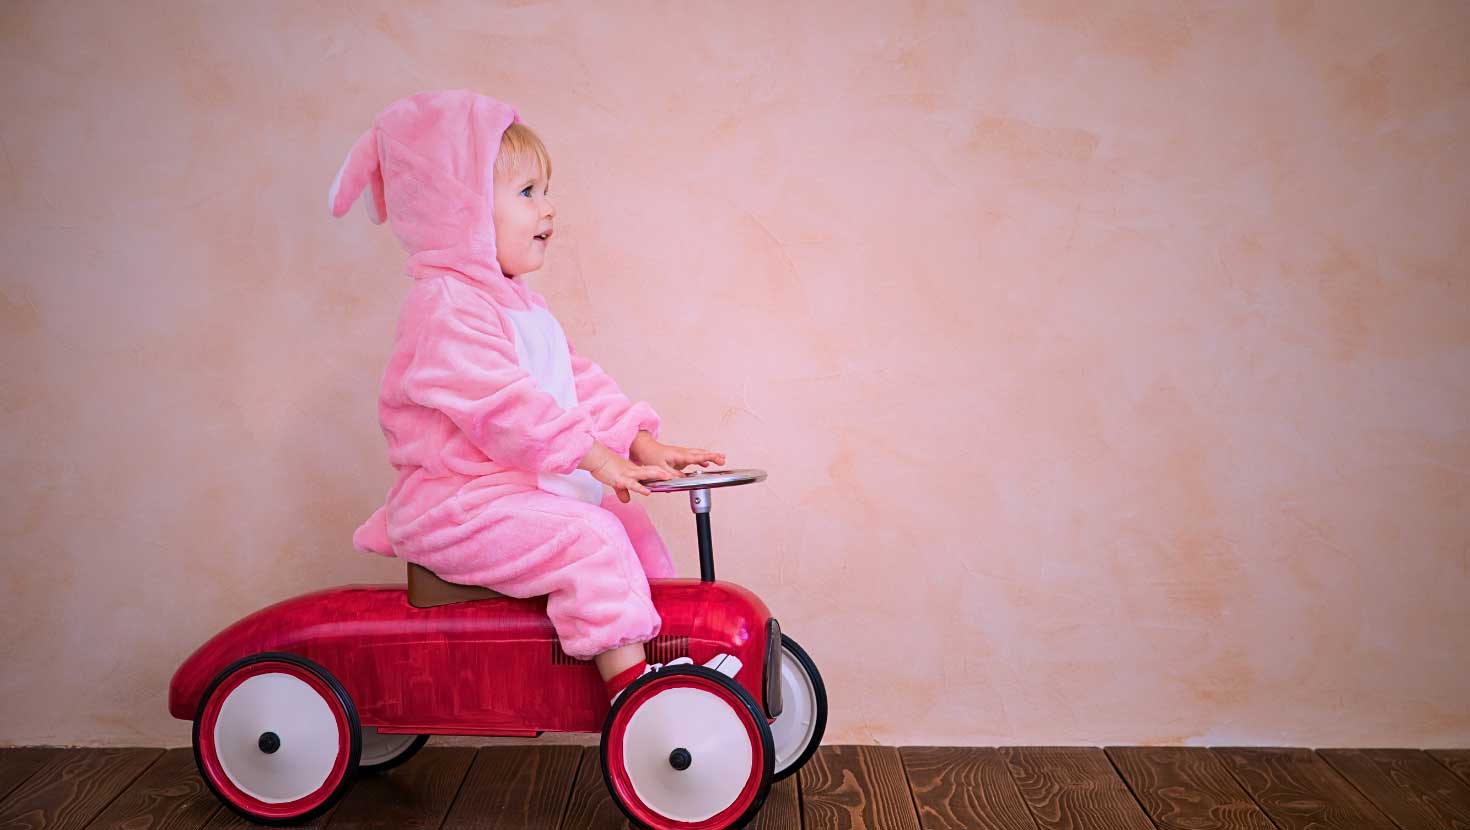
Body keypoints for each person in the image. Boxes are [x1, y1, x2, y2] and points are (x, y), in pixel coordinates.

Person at [329, 89, 725, 702]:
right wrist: (596, 460)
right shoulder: (445, 307)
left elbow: (572, 386)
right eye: (527, 194)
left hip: (512, 493)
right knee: (591, 538)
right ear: (457, 211)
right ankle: (637, 699)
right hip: (458, 507)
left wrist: (639, 443)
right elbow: (506, 406)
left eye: (545, 190)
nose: (549, 210)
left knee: (627, 522)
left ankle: (675, 660)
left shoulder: (519, 305)